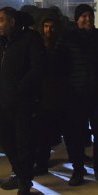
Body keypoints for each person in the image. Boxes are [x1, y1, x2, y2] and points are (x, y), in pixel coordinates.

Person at [0, 7, 45, 195]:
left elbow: (37, 69)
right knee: (6, 140)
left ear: (12, 22)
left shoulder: (30, 39)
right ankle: (20, 175)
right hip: (3, 102)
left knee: (24, 144)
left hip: (24, 103)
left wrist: (19, 88)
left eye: (1, 20)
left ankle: (24, 183)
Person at [56, 4, 98, 186]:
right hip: (76, 95)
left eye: (90, 15)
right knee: (76, 135)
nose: (88, 19)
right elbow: (60, 67)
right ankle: (78, 170)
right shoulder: (67, 39)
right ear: (77, 19)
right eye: (83, 16)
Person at [33, 14, 62, 175]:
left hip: (56, 92)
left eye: (51, 27)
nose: (48, 30)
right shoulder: (37, 44)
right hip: (41, 92)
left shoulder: (60, 44)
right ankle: (41, 162)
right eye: (46, 26)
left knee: (49, 130)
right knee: (41, 130)